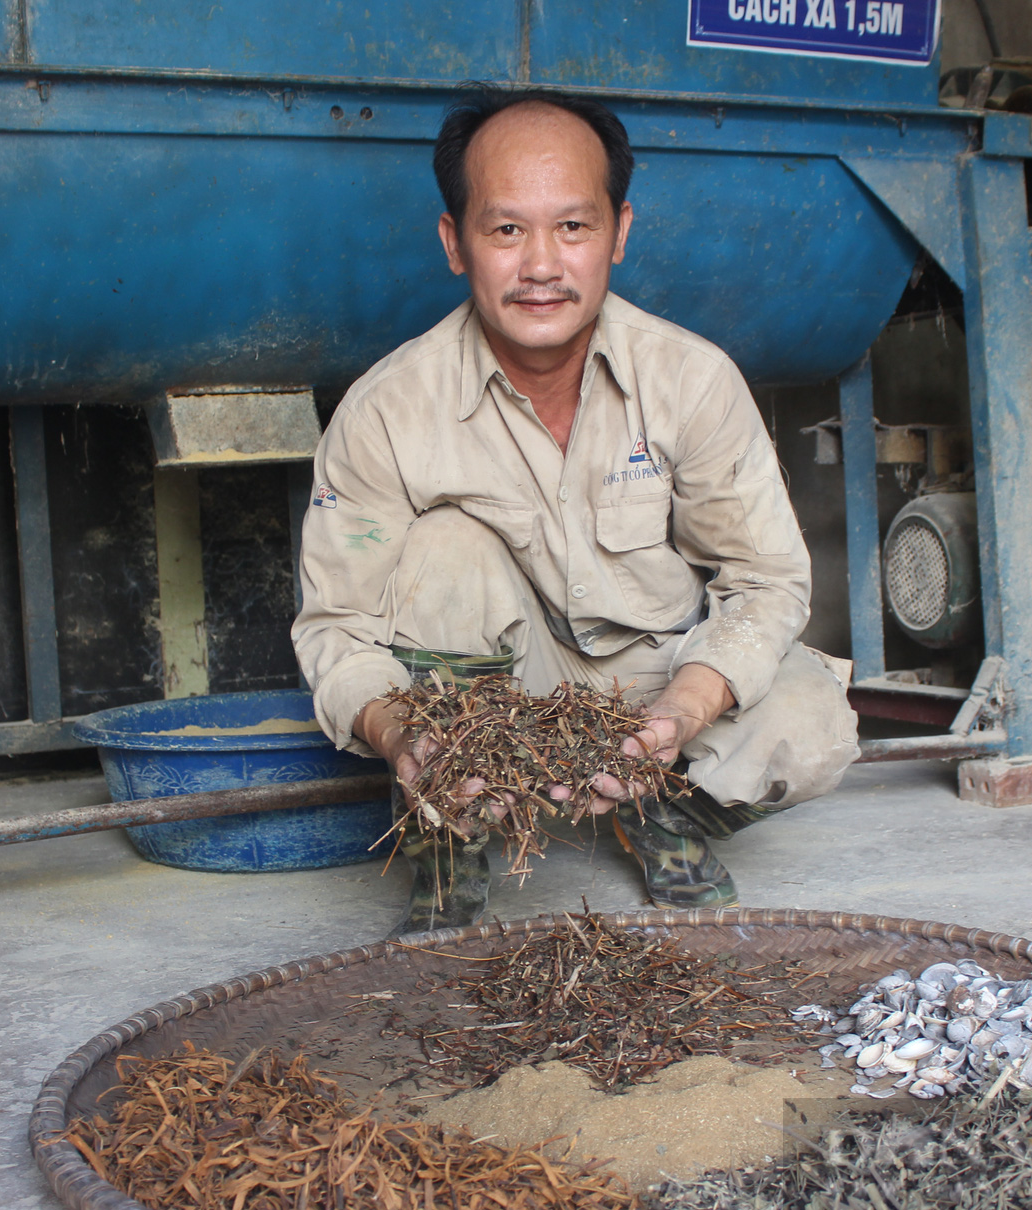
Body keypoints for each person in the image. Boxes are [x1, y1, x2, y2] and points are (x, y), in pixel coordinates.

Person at [292, 84, 860, 935]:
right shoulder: (386, 411)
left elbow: (766, 581)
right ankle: (455, 837)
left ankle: (657, 811)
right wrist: (399, 735)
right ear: (456, 243)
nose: (542, 266)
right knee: (446, 545)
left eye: (573, 226)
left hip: (653, 678)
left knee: (812, 727)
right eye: (506, 229)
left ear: (619, 232)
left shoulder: (691, 380)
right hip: (492, 698)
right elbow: (336, 624)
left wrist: (684, 710)